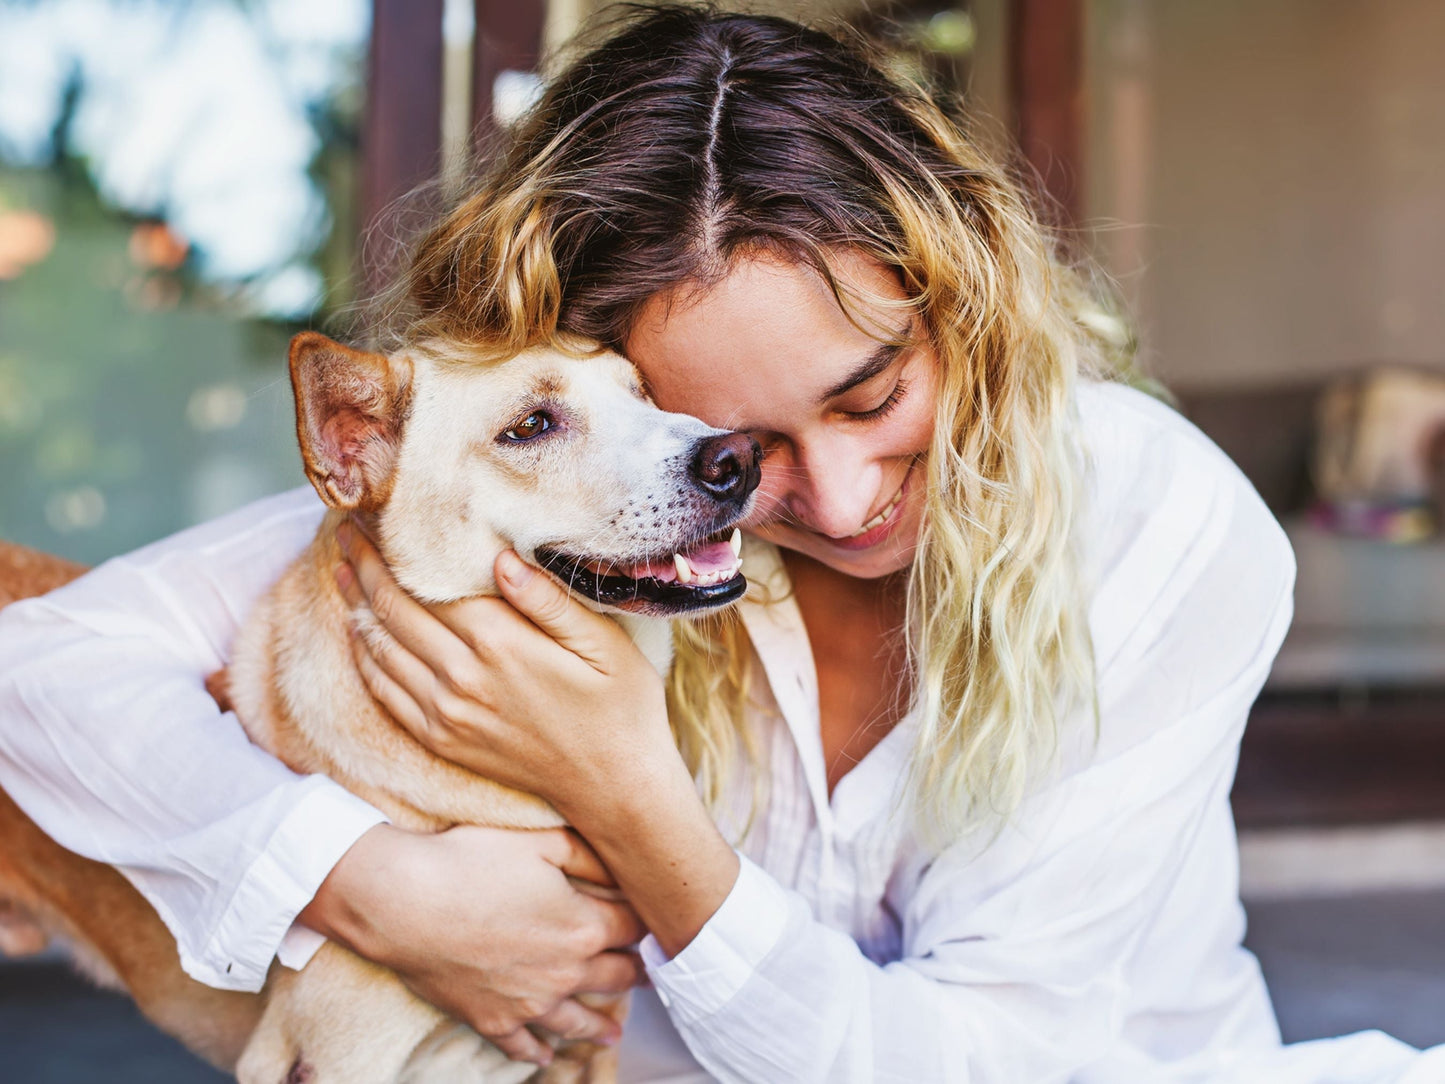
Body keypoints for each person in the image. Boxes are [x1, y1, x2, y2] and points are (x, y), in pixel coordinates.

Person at [0, 7, 1438, 1082]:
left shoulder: (1154, 517)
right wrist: (371, 882)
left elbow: (978, 1060)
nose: (839, 493)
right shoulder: (592, 497)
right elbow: (34, 670)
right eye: (728, 452)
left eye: (871, 395)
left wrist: (627, 790)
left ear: (964, 307)